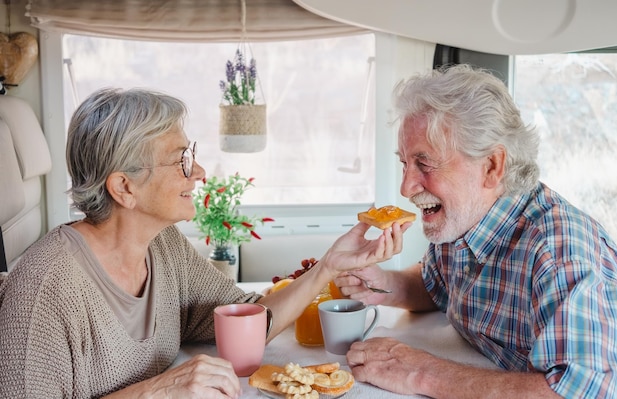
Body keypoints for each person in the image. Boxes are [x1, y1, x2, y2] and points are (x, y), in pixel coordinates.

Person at [0, 87, 410, 398]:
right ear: (124, 188)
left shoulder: (164, 247)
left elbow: (251, 322)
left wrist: (331, 266)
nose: (198, 171)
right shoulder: (44, 290)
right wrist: (159, 390)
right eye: (180, 159)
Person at [335, 64, 617, 398]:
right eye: (405, 164)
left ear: (491, 166)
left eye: (425, 164)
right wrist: (385, 285)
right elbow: (437, 286)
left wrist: (421, 372)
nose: (406, 187)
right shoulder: (464, 219)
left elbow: (588, 392)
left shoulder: (560, 252)